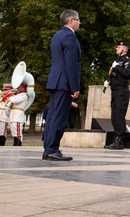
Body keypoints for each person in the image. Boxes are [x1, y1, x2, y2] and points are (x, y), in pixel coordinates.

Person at [43, 9, 82, 161]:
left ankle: (48, 149)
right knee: (59, 117)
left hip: (55, 81)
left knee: (53, 117)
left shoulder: (58, 35)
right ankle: (52, 149)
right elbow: (71, 64)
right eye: (78, 20)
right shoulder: (70, 37)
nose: (79, 23)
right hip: (64, 83)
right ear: (71, 21)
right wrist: (74, 87)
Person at [104, 41, 130, 150]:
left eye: (119, 47)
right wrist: (108, 81)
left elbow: (127, 74)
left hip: (122, 90)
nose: (116, 48)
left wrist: (117, 68)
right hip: (114, 90)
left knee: (119, 115)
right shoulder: (116, 61)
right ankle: (115, 139)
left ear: (124, 49)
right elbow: (113, 74)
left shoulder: (127, 61)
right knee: (114, 116)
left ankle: (120, 141)